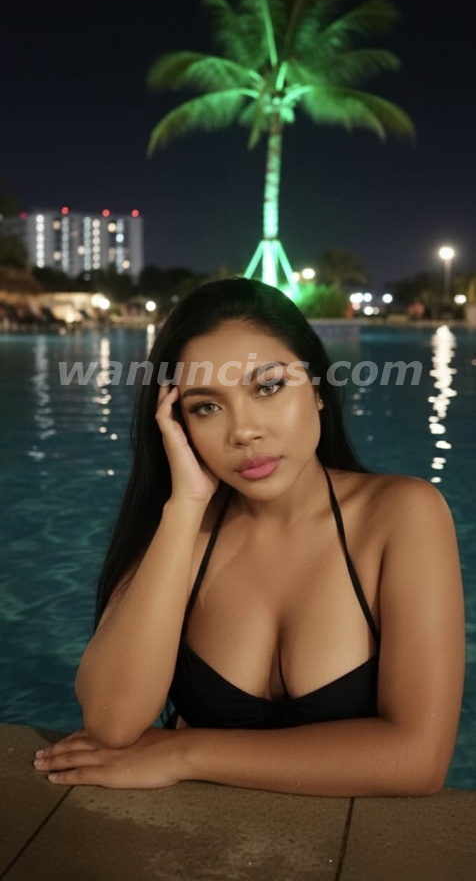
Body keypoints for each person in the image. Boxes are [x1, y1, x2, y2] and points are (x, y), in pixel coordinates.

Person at [32, 277, 465, 796]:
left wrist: (184, 752)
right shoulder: (186, 534)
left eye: (268, 387)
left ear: (318, 389)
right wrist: (185, 506)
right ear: (179, 425)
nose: (243, 431)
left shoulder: (401, 515)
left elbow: (418, 759)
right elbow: (111, 722)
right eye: (206, 407)